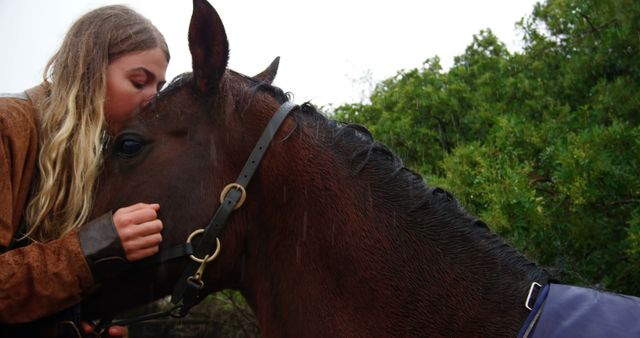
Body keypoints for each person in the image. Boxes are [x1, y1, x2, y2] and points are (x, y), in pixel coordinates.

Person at [0, 5, 169, 336]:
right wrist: (97, 245)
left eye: (159, 87)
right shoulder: (9, 126)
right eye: (139, 81)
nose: (153, 100)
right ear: (88, 71)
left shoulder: (94, 159)